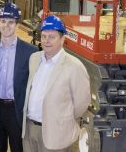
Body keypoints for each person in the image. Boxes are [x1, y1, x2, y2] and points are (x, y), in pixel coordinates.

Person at [22, 15, 90, 152]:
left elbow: (81, 104)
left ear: (62, 39)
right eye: (44, 36)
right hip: (30, 130)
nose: (47, 41)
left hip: (56, 134)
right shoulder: (34, 59)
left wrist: (62, 118)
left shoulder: (74, 66)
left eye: (52, 37)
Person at [0, 3, 37, 152]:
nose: (6, 25)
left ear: (17, 24)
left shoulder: (30, 52)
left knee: (19, 148)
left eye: (10, 22)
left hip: (17, 112)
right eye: (3, 21)